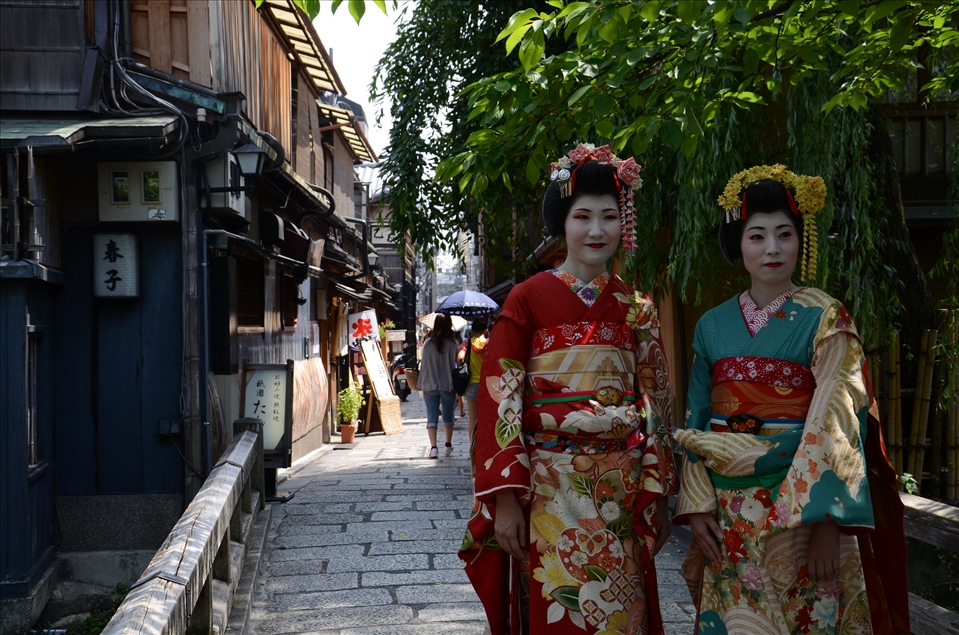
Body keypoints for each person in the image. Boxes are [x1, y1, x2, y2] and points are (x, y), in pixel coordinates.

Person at [672, 165, 909, 634]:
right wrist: (697, 503)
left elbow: (838, 418)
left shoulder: (826, 316)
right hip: (729, 510)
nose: (773, 248)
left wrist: (827, 523)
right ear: (738, 244)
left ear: (802, 241)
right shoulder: (711, 325)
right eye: (757, 236)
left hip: (802, 508)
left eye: (785, 234)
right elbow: (696, 417)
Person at [459, 143, 677, 635]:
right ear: (563, 223)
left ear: (624, 224)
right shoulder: (526, 298)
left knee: (621, 614)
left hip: (621, 488)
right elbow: (501, 397)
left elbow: (656, 402)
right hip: (548, 488)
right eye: (583, 217)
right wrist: (507, 499)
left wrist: (658, 491)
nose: (597, 230)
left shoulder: (635, 306)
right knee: (556, 609)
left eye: (609, 217)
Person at [418, 313, 459, 458]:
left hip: (429, 383)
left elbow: (424, 364)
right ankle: (447, 445)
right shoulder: (453, 344)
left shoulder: (428, 343)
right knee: (448, 415)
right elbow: (458, 363)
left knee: (432, 415)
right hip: (448, 384)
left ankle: (434, 448)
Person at [457, 316, 489, 448]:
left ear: (472, 331)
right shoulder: (490, 344)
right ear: (486, 330)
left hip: (471, 384)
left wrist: (463, 365)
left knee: (473, 418)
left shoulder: (467, 343)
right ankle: (484, 445)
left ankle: (473, 446)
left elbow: (460, 358)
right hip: (487, 385)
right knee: (486, 417)